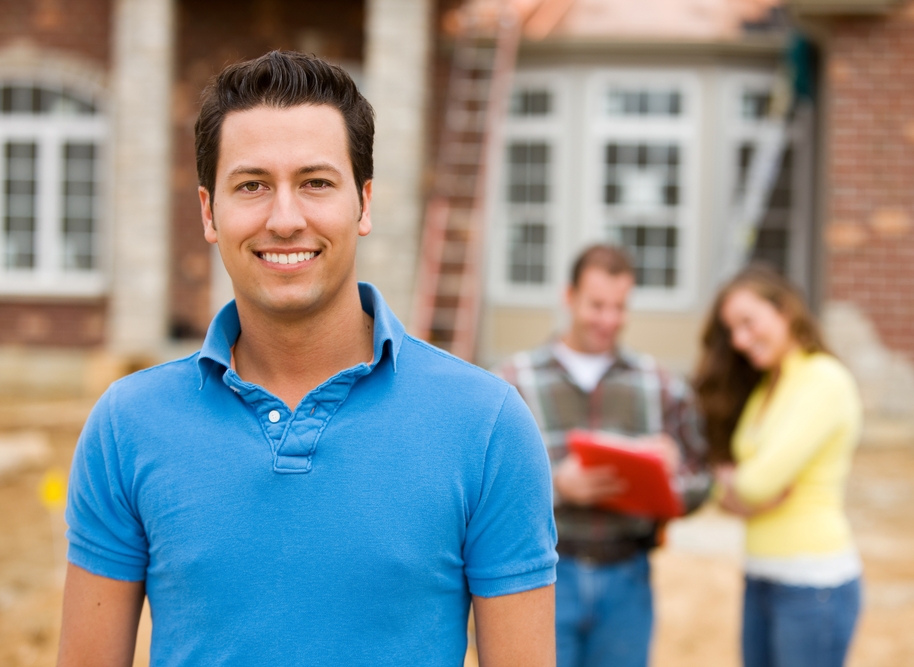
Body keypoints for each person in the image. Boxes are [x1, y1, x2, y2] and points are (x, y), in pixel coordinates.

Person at [57, 51, 557, 667]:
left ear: (364, 204)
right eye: (252, 185)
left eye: (316, 183)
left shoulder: (487, 427)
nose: (285, 218)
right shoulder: (125, 427)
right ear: (210, 212)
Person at [493, 244, 712, 667]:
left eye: (619, 307)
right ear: (569, 297)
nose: (608, 320)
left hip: (628, 579)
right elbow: (483, 488)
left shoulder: (660, 384)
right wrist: (556, 487)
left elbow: (701, 477)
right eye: (596, 305)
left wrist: (669, 480)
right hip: (542, 577)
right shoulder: (512, 382)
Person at [693, 264, 863, 667]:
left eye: (748, 322)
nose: (739, 340)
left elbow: (755, 482)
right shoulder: (768, 385)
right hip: (761, 576)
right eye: (732, 330)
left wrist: (741, 488)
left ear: (784, 309)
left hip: (813, 585)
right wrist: (736, 488)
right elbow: (727, 484)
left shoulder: (825, 380)